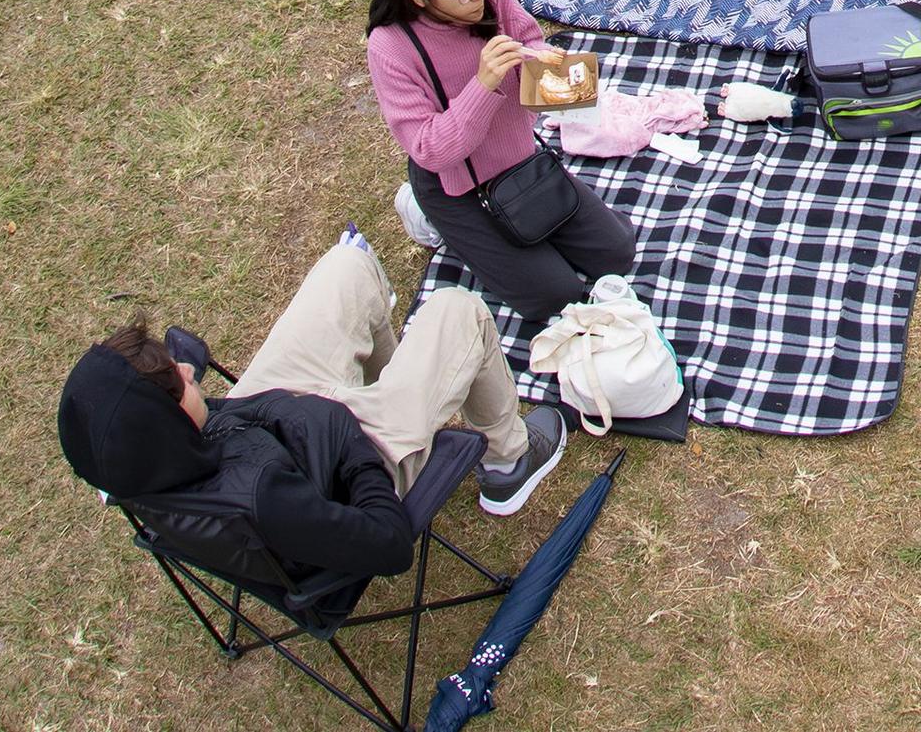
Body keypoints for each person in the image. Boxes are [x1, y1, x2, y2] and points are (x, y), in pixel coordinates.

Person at [56, 240, 569, 591]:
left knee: (347, 269)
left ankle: (401, 384)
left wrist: (181, 382)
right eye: (180, 383)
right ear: (163, 428)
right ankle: (509, 462)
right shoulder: (265, 500)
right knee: (461, 311)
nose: (192, 377)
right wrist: (353, 448)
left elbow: (190, 418)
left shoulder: (135, 466)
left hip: (271, 426)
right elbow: (389, 547)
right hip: (344, 458)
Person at [363, 0, 641, 323]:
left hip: (517, 157)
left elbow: (529, 40)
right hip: (456, 185)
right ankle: (424, 211)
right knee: (556, 297)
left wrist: (554, 74)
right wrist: (484, 83)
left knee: (617, 251)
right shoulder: (391, 47)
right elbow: (429, 149)